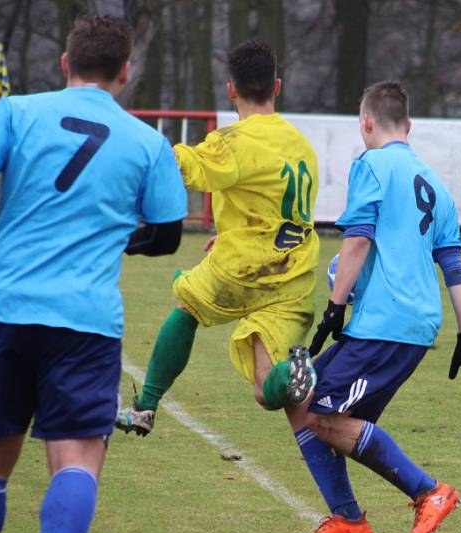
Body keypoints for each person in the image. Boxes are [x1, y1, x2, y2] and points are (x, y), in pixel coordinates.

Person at [0, 16, 187, 533]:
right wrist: (108, 235)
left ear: (63, 63)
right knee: (77, 461)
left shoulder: (17, 111)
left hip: (2, 308)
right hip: (83, 321)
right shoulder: (145, 140)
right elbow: (165, 235)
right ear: (125, 71)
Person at [287, 80, 461, 533]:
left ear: (366, 123)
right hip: (411, 323)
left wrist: (335, 306)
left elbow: (358, 239)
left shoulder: (371, 163)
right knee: (302, 401)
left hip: (386, 323)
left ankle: (429, 491)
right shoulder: (435, 183)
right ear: (410, 125)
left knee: (322, 416)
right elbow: (453, 264)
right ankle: (348, 519)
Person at [117, 40, 319, 439]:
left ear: (231, 89)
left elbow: (184, 167)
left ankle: (145, 407)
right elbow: (277, 206)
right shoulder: (303, 145)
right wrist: (229, 233)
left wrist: (140, 147)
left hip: (244, 268)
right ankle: (303, 371)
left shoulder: (233, 142)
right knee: (266, 389)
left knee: (187, 305)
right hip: (295, 275)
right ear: (276, 86)